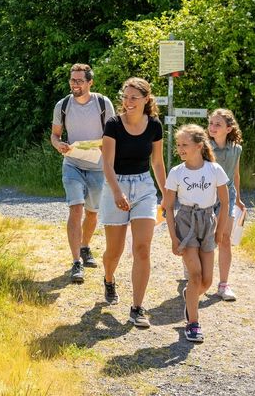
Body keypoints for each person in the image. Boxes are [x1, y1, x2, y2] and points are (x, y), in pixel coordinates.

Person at [100, 77, 166, 328]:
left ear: (146, 99)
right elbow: (106, 163)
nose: (127, 102)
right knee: (114, 252)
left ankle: (137, 308)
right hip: (115, 184)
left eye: (133, 98)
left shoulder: (155, 125)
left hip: (144, 188)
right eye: (125, 97)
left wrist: (167, 194)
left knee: (142, 249)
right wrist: (117, 192)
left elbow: (157, 163)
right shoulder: (113, 124)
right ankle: (108, 278)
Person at [163, 124, 230, 343]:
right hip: (185, 223)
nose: (180, 149)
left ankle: (189, 296)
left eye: (185, 145)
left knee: (207, 281)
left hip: (207, 223)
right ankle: (193, 323)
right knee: (195, 275)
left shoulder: (214, 170)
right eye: (178, 145)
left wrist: (220, 229)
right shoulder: (176, 173)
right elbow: (169, 208)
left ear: (199, 146)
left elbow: (225, 201)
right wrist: (174, 238)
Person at [51, 63, 116, 283]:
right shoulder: (63, 105)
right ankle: (76, 262)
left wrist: (104, 147)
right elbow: (55, 135)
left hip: (98, 166)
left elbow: (112, 134)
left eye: (79, 80)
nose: (74, 84)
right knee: (75, 209)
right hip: (72, 163)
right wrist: (59, 145)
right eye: (72, 80)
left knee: (92, 212)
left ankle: (85, 246)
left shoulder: (102, 103)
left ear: (90, 82)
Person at [207, 108, 246, 301]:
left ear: (229, 129)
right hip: (205, 196)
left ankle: (223, 285)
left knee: (224, 238)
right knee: (203, 237)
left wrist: (238, 198)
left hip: (227, 198)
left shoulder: (236, 149)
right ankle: (195, 273)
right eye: (211, 123)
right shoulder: (204, 147)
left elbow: (236, 174)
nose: (212, 127)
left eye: (218, 124)